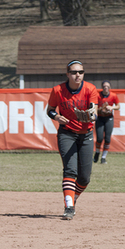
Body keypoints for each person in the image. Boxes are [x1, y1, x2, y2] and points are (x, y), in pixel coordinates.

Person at [46, 60, 99, 221]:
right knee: (70, 170)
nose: (78, 75)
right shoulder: (58, 90)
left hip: (86, 134)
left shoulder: (90, 89)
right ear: (68, 74)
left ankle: (73, 196)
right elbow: (49, 110)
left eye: (81, 72)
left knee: (84, 177)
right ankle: (69, 206)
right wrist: (57, 117)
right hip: (66, 133)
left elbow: (94, 110)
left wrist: (91, 114)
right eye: (74, 72)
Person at [94, 80, 120, 164]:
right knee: (99, 138)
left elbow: (118, 106)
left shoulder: (113, 95)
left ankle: (103, 157)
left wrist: (111, 108)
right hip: (100, 118)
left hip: (109, 118)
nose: (106, 88)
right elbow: (93, 106)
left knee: (108, 138)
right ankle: (97, 152)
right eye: (104, 86)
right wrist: (100, 109)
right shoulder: (98, 95)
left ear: (110, 87)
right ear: (102, 87)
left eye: (107, 86)